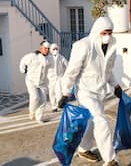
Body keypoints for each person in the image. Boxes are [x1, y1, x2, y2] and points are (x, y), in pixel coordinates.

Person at [59, 17, 122, 166]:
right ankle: (110, 160)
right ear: (97, 31)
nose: (108, 35)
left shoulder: (111, 46)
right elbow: (71, 71)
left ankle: (83, 148)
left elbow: (108, 70)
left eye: (110, 32)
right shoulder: (83, 46)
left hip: (100, 92)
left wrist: (116, 86)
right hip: (85, 92)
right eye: (105, 32)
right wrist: (65, 92)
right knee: (101, 121)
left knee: (91, 123)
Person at [19, 41, 51, 122]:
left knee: (43, 100)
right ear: (41, 48)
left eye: (48, 48)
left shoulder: (49, 59)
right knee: (35, 97)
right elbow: (23, 61)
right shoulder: (32, 56)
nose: (47, 50)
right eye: (45, 48)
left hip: (42, 82)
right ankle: (32, 112)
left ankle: (39, 117)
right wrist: (23, 70)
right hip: (31, 81)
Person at [47, 43, 68, 112]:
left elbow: (67, 65)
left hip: (59, 77)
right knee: (52, 93)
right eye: (53, 49)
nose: (55, 50)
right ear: (51, 50)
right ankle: (54, 106)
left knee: (58, 92)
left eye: (56, 49)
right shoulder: (48, 58)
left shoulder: (61, 57)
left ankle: (59, 105)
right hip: (51, 78)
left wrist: (65, 75)